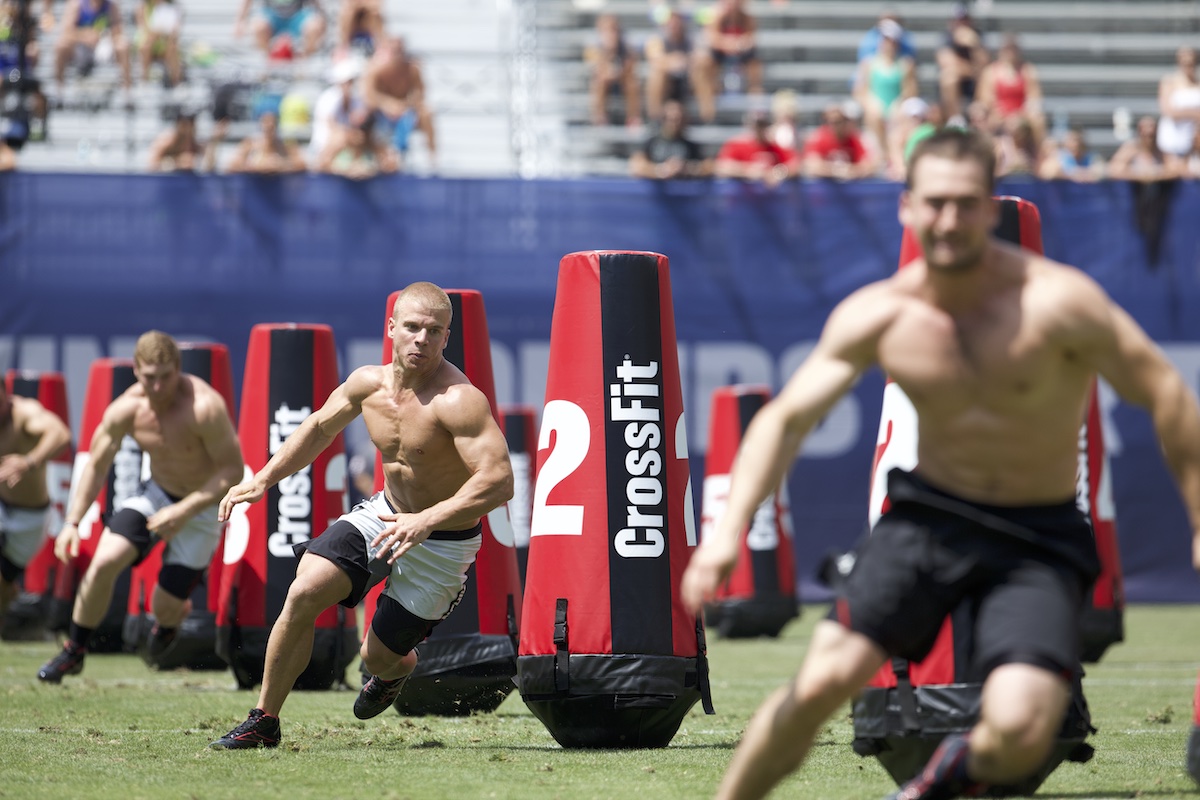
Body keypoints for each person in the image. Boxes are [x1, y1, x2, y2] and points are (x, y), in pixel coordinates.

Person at [681, 127, 1200, 800]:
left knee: (1021, 727)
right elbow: (784, 420)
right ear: (906, 207)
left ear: (991, 207)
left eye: (965, 202)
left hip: (1036, 538)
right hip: (926, 521)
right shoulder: (884, 312)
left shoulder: (1058, 302)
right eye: (934, 203)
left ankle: (943, 781)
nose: (949, 220)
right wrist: (725, 535)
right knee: (817, 686)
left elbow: (1166, 395)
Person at [210, 282, 514, 750]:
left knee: (378, 657)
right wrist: (263, 479)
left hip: (443, 542)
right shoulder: (367, 384)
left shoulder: (459, 400)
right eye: (412, 327)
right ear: (391, 327)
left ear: (447, 337)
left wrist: (428, 518)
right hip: (385, 515)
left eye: (434, 331)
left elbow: (498, 480)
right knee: (305, 590)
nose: (422, 339)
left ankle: (396, 670)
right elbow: (317, 428)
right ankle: (263, 720)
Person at [37, 331, 244, 682]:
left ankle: (169, 623)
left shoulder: (204, 406)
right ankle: (74, 650)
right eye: (150, 377)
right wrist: (72, 522)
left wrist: (185, 510)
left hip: (202, 508)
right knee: (103, 561)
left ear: (178, 369)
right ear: (135, 371)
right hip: (156, 495)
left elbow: (233, 471)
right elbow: (97, 465)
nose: (159, 387)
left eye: (166, 376)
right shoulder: (126, 409)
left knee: (164, 608)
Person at [0, 381, 71, 619]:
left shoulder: (24, 413)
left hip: (31, 517)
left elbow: (60, 434)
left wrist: (28, 461)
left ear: (5, 395)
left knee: (3, 587)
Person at [363, 36, 437, 170]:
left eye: (399, 51)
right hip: (381, 113)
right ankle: (376, 156)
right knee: (364, 115)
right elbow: (369, 96)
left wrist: (405, 105)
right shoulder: (376, 69)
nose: (397, 54)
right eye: (394, 51)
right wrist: (387, 105)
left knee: (427, 113)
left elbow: (420, 92)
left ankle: (432, 159)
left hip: (405, 111)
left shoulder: (411, 69)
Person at [852, 19, 917, 157]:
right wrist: (871, 103)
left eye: (891, 40)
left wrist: (899, 105)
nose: (888, 44)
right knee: (873, 116)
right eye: (885, 40)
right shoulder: (868, 64)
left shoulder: (906, 64)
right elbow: (859, 91)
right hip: (875, 113)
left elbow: (910, 92)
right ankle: (882, 155)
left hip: (897, 113)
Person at [696, 0, 762, 120]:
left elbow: (751, 38)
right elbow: (712, 38)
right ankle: (708, 108)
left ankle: (755, 103)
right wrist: (732, 44)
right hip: (720, 53)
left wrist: (740, 44)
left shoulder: (746, 18)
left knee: (755, 65)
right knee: (704, 65)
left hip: (741, 53)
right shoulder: (718, 16)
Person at [52, 0, 132, 98]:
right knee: (61, 46)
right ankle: (59, 91)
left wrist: (102, 35)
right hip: (79, 48)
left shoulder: (111, 6)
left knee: (123, 45)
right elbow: (67, 32)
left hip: (103, 46)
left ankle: (127, 94)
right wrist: (84, 35)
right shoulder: (76, 5)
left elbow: (118, 30)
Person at [976, 34, 1044, 143]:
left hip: (1021, 115)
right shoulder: (990, 72)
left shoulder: (1028, 71)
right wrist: (1001, 115)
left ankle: (1038, 155)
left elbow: (1034, 100)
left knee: (1038, 120)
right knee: (980, 118)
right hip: (998, 115)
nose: (1010, 52)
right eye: (1007, 49)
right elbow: (986, 100)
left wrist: (1020, 116)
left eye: (1013, 49)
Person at [629, 98, 711, 179]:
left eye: (678, 119)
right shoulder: (653, 142)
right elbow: (637, 166)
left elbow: (708, 166)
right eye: (671, 119)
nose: (674, 124)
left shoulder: (690, 146)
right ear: (663, 119)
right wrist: (662, 170)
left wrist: (687, 168)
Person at [714, 108, 799, 187]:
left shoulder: (774, 146)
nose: (759, 129)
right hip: (743, 197)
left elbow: (795, 165)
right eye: (757, 126)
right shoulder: (737, 144)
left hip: (769, 198)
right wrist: (748, 171)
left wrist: (777, 173)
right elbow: (722, 167)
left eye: (763, 126)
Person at [643, 8, 699, 124]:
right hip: (667, 83)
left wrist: (680, 61)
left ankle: (706, 117)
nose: (675, 26)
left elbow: (697, 58)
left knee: (701, 73)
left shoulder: (690, 40)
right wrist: (673, 61)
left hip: (687, 80)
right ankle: (655, 118)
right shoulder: (657, 39)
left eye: (678, 23)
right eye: (672, 23)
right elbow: (655, 59)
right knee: (657, 74)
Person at [935, 3, 988, 123]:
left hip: (975, 86)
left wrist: (974, 45)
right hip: (955, 87)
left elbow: (985, 66)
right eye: (959, 20)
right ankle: (955, 120)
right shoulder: (946, 38)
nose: (962, 24)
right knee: (949, 77)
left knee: (987, 77)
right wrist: (971, 69)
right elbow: (947, 64)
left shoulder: (977, 37)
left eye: (965, 20)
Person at [585, 13, 640, 127]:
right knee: (599, 82)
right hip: (603, 81)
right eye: (607, 29)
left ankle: (633, 118)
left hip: (622, 79)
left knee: (632, 83)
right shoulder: (593, 46)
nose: (611, 33)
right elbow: (595, 67)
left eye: (613, 28)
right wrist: (608, 52)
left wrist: (617, 72)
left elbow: (631, 65)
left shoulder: (626, 45)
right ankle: (599, 118)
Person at [801, 102, 879, 180]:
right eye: (830, 121)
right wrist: (838, 171)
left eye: (839, 121)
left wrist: (850, 171)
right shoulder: (818, 137)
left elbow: (869, 166)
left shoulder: (854, 138)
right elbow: (812, 166)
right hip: (824, 189)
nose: (834, 125)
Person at [222, 108, 307, 175]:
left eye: (272, 122)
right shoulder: (251, 144)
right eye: (265, 122)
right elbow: (231, 166)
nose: (269, 125)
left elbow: (302, 164)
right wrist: (254, 167)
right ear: (260, 124)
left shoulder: (285, 146)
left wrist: (281, 166)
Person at [234, 0, 327, 61]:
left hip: (297, 15)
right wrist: (240, 21)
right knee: (259, 26)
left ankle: (304, 61)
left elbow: (316, 3)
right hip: (272, 15)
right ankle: (268, 60)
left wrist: (322, 17)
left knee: (314, 27)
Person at [1157, 46, 1200, 161]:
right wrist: (1195, 113)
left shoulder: (1197, 84)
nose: (1188, 66)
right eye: (1185, 63)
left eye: (1191, 63)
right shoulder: (1169, 81)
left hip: (1193, 139)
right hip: (1172, 138)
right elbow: (1169, 111)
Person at [133, 0, 182, 87]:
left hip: (165, 43)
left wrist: (163, 34)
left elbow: (174, 31)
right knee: (146, 46)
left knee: (173, 47)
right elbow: (145, 29)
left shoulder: (172, 7)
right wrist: (159, 33)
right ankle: (144, 82)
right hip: (149, 43)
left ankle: (176, 82)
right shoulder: (142, 7)